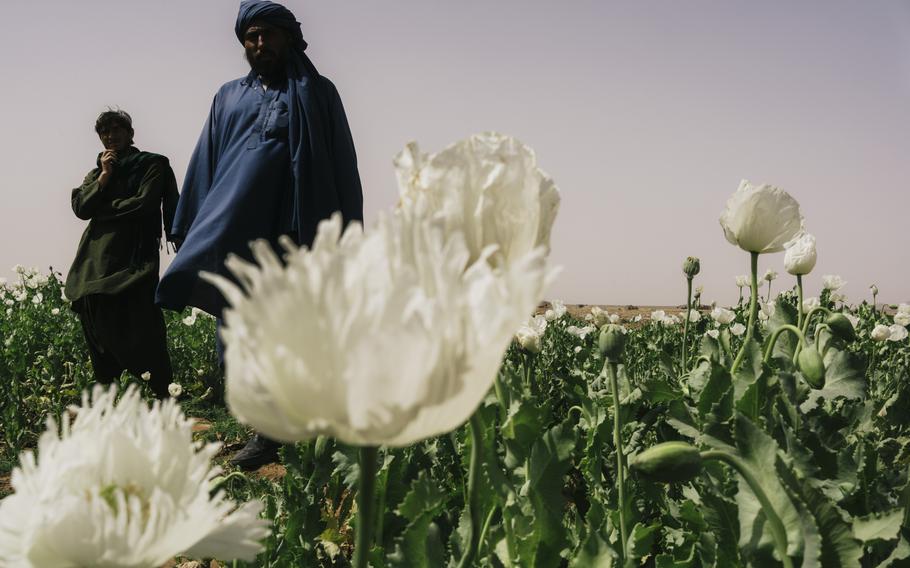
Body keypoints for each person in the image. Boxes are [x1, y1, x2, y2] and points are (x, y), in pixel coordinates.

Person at [156, 0, 363, 469]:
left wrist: (346, 231)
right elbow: (206, 159)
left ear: (290, 37)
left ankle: (285, 431)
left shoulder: (319, 93)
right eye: (251, 36)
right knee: (240, 332)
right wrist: (189, 225)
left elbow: (342, 166)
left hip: (296, 236)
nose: (260, 43)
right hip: (238, 236)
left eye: (269, 33)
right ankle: (264, 428)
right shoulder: (228, 96)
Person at [65, 109, 179, 400]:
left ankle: (162, 388)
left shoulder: (152, 164)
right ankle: (110, 389)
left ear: (130, 134)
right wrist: (104, 177)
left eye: (117, 130)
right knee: (95, 313)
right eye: (105, 132)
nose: (111, 136)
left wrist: (103, 209)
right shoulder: (97, 172)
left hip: (134, 255)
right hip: (95, 256)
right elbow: (81, 208)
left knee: (141, 318)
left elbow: (144, 203)